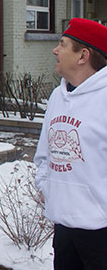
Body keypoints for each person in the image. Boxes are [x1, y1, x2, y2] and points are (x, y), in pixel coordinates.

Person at [33, 18, 107, 270]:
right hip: (63, 228)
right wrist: (47, 187)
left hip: (100, 233)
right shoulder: (58, 95)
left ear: (83, 56)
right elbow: (44, 152)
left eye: (63, 44)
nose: (55, 50)